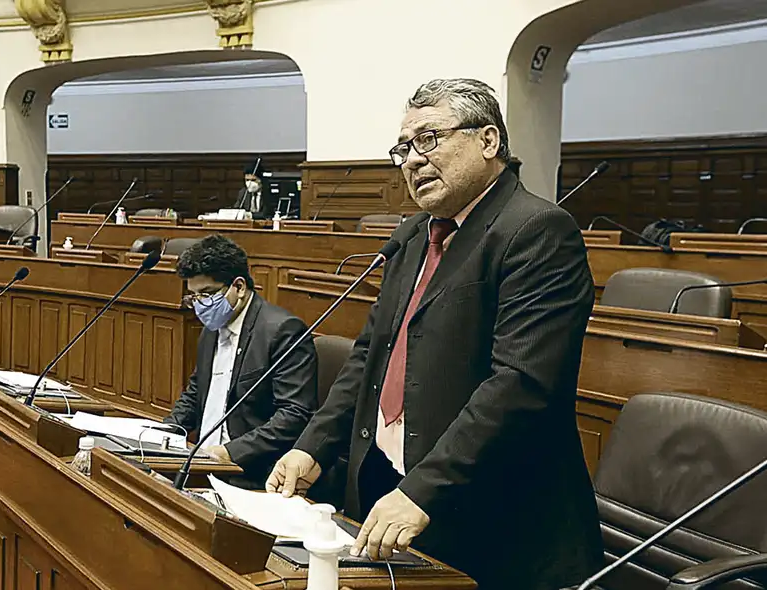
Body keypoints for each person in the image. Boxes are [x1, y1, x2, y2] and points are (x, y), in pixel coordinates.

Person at [266, 79, 603, 590]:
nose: (412, 160)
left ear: (488, 140)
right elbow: (371, 358)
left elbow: (519, 385)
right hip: (392, 488)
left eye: (428, 139)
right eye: (403, 148)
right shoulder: (414, 235)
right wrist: (312, 446)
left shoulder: (536, 230)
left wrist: (422, 489)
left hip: (489, 516)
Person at [164, 235, 318, 489]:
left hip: (251, 473)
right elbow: (197, 391)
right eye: (194, 296)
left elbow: (293, 414)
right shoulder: (212, 329)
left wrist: (230, 452)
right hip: (202, 463)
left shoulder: (282, 331)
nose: (200, 305)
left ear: (239, 286)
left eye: (207, 294)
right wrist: (165, 432)